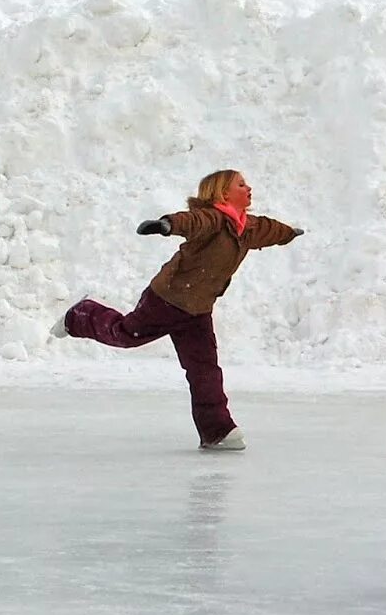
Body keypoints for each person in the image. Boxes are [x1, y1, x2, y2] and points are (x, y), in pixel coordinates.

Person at [50, 170, 302, 451]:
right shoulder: (213, 219)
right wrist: (167, 225)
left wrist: (289, 233)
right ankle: (80, 315)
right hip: (168, 298)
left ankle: (217, 431)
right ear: (222, 194)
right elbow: (191, 221)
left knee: (204, 370)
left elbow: (269, 229)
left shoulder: (247, 227)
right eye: (241, 185)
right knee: (125, 334)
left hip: (198, 309)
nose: (249, 188)